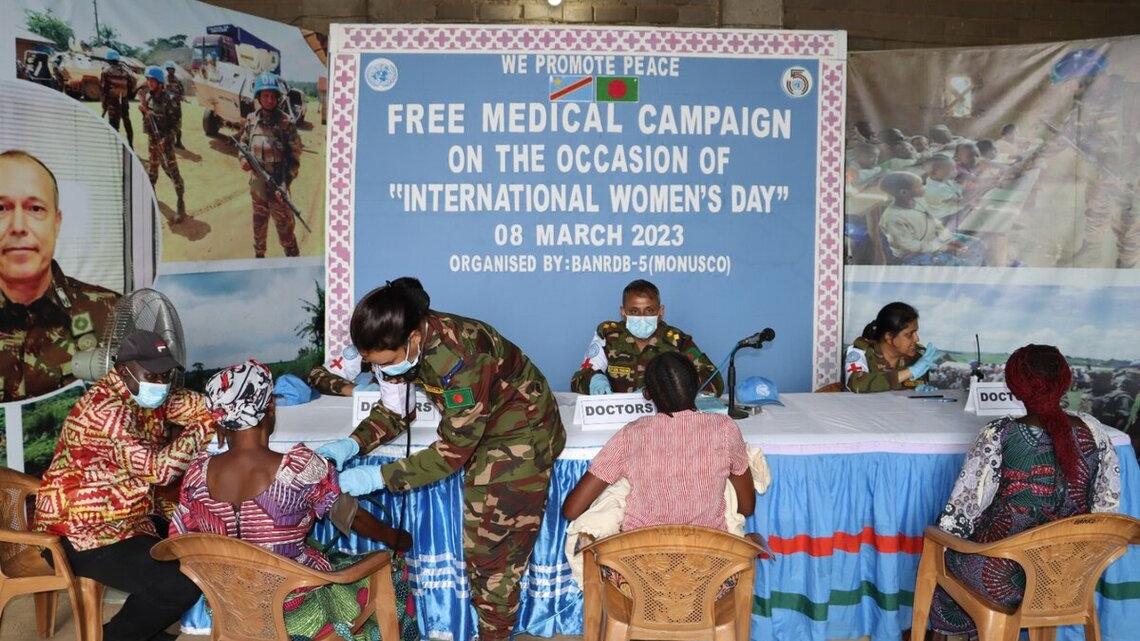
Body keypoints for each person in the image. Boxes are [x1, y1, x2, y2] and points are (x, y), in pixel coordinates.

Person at [312, 277, 566, 641]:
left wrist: (378, 477)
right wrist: (353, 444)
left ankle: (494, 636)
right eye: (374, 363)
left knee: (492, 555)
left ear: (414, 338)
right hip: (479, 427)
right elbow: (396, 411)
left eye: (387, 362)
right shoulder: (398, 345)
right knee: (484, 553)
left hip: (520, 434)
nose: (383, 369)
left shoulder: (461, 358)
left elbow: (451, 454)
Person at [170, 360, 418, 641]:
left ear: (221, 419)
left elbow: (181, 537)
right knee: (390, 569)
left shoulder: (196, 475)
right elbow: (353, 517)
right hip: (295, 612)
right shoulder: (299, 468)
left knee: (315, 550)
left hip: (230, 609)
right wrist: (395, 539)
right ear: (270, 408)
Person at [924, 345, 1122, 637]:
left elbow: (961, 517)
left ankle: (957, 632)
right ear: (1065, 382)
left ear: (1014, 387)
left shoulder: (998, 434)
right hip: (1069, 578)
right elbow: (1106, 511)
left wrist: (939, 535)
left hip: (1003, 579)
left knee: (939, 546)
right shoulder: (1095, 432)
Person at [34, 330, 215, 641]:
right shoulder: (104, 411)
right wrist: (202, 428)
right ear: (123, 369)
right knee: (182, 582)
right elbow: (158, 471)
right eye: (152, 375)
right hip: (81, 534)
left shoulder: (146, 394)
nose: (160, 383)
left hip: (129, 522)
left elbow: (208, 406)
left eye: (165, 375)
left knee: (198, 549)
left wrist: (215, 411)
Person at [563, 352, 755, 527]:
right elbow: (746, 507)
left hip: (641, 552)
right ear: (698, 384)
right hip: (706, 551)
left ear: (647, 394)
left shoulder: (631, 434)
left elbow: (572, 510)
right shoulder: (724, 428)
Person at [0, 150, 119, 402]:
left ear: (56, 223)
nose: (18, 227)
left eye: (35, 208)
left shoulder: (115, 316)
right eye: (1, 208)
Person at [570, 279, 724, 396]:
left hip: (662, 420)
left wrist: (666, 389)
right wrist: (594, 380)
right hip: (617, 418)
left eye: (649, 310)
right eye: (634, 311)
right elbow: (579, 378)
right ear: (623, 312)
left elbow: (714, 380)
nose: (642, 317)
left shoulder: (676, 341)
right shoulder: (609, 336)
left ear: (661, 311)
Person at [238, 72, 302, 258]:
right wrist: (242, 159)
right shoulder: (251, 120)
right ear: (258, 97)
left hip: (278, 190)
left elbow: (294, 159)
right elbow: (243, 143)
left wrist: (284, 183)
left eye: (273, 95)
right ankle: (259, 260)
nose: (269, 99)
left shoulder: (286, 123)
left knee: (286, 235)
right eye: (265, 95)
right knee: (258, 232)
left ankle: (294, 263)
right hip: (258, 189)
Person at [878, 172, 985, 266]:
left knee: (977, 244)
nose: (924, 187)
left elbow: (935, 223)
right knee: (963, 264)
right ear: (904, 192)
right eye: (920, 186)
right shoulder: (893, 218)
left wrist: (949, 239)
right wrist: (945, 247)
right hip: (914, 256)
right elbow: (910, 246)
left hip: (934, 242)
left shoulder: (919, 202)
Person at [844, 301, 939, 393]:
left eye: (916, 332)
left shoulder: (918, 356)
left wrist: (919, 388)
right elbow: (856, 383)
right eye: (909, 334)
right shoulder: (861, 352)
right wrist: (910, 372)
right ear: (889, 337)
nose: (917, 339)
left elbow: (915, 384)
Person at [137, 66, 186, 222]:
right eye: (148, 80)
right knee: (152, 171)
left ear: (159, 82)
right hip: (153, 142)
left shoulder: (170, 99)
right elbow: (147, 122)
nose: (149, 83)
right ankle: (151, 197)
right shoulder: (148, 98)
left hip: (166, 142)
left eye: (152, 80)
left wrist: (166, 140)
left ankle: (181, 204)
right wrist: (144, 113)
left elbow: (176, 125)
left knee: (173, 173)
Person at [99, 49, 135, 148]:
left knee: (114, 126)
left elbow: (104, 90)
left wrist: (104, 106)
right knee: (127, 123)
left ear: (108, 60)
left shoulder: (106, 71)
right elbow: (131, 85)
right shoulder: (126, 71)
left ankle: (115, 147)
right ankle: (131, 145)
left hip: (113, 102)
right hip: (124, 100)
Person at [163, 61, 185, 149]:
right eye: (169, 69)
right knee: (167, 124)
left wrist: (180, 96)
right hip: (167, 106)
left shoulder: (177, 80)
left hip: (176, 107)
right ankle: (167, 142)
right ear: (167, 70)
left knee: (178, 124)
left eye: (172, 69)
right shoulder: (164, 80)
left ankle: (178, 142)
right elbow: (162, 91)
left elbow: (182, 91)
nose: (171, 71)